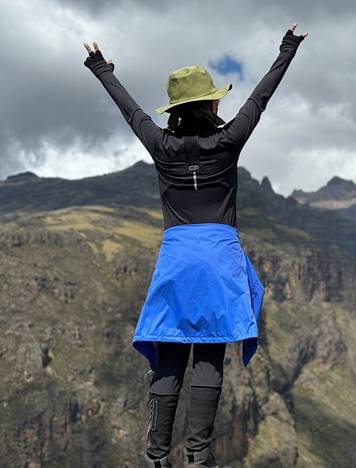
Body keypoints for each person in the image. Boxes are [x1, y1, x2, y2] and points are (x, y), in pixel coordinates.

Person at [83, 22, 308, 468]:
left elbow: (130, 112)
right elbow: (259, 99)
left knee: (169, 352)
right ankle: (198, 456)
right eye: (215, 97)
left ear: (175, 109)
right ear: (209, 103)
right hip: (219, 258)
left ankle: (155, 456)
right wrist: (287, 49)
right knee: (209, 351)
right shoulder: (228, 141)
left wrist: (100, 69)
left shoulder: (160, 145)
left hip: (177, 259)